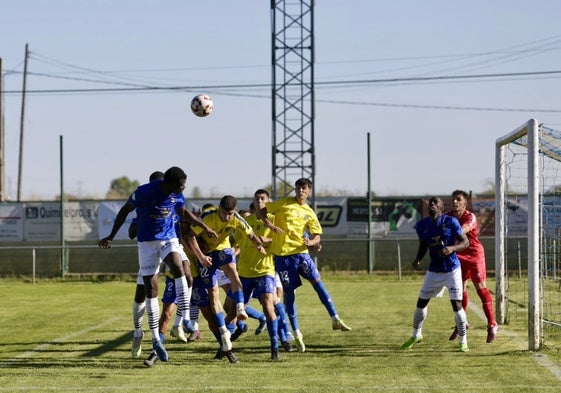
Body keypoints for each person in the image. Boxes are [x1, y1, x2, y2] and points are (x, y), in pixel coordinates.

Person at [98, 166, 217, 363]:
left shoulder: (177, 194)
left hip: (168, 239)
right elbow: (124, 212)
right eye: (181, 185)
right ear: (167, 183)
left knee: (181, 269)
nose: (183, 188)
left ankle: (185, 318)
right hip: (146, 244)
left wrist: (204, 227)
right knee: (148, 292)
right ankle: (148, 337)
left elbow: (184, 212)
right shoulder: (144, 193)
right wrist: (111, 236)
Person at [257, 178, 351, 353]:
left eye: (304, 188)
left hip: (301, 254)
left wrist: (312, 242)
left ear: (309, 191)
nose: (300, 191)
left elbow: (317, 236)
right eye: (298, 188)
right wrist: (269, 224)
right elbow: (262, 210)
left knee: (317, 282)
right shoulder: (284, 204)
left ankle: (335, 318)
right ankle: (297, 333)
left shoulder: (310, 212)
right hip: (283, 257)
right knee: (290, 294)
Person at [185, 195, 266, 355]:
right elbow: (190, 236)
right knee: (213, 294)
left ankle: (241, 307)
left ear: (234, 211)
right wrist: (200, 256)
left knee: (233, 271)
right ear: (218, 208)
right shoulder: (208, 218)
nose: (226, 217)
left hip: (222, 249)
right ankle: (224, 333)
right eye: (224, 213)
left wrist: (258, 245)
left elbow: (250, 234)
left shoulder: (236, 218)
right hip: (206, 254)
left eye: (230, 214)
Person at [400, 196, 471, 352]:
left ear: (441, 207)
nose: (432, 204)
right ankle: (416, 335)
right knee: (421, 303)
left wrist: (452, 248)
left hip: (452, 270)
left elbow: (466, 242)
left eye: (435, 202)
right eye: (430, 202)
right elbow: (423, 245)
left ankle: (463, 340)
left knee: (456, 305)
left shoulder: (451, 222)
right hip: (434, 271)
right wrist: (417, 259)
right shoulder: (422, 225)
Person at [446, 189, 498, 343]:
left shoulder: (470, 217)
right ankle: (462, 322)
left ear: (465, 203)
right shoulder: (447, 216)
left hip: (474, 254)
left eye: (458, 199)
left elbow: (463, 230)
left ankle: (492, 324)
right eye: (453, 199)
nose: (455, 202)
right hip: (458, 255)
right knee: (458, 290)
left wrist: (448, 232)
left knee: (480, 288)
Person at [129, 170, 164, 358]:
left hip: (168, 251)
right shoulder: (143, 204)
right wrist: (142, 218)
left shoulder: (171, 200)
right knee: (140, 297)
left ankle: (182, 325)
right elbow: (131, 232)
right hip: (148, 256)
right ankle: (137, 332)